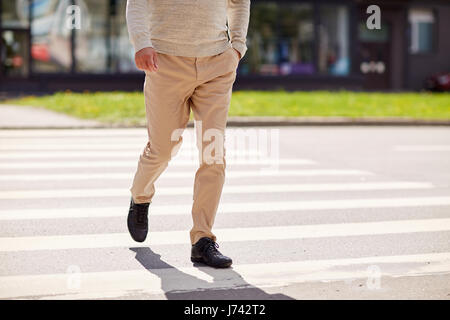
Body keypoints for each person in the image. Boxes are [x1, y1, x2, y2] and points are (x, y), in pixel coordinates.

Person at [125, 0, 250, 268]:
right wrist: (141, 43)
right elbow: (137, 3)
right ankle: (140, 197)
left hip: (217, 64)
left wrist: (237, 47)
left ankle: (202, 239)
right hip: (164, 63)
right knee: (162, 150)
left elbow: (239, 3)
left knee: (213, 153)